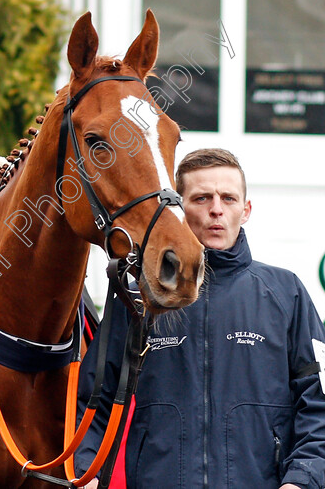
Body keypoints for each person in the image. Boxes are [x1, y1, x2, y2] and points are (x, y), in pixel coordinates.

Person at [74, 148, 325, 489]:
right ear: (179, 207)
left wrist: (301, 480)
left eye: (229, 198)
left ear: (246, 210)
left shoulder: (286, 293)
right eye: (202, 198)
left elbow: (317, 402)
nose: (216, 209)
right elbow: (92, 402)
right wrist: (85, 472)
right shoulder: (141, 297)